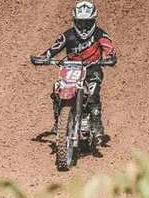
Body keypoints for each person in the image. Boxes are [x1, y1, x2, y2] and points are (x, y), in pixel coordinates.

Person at [31, 1, 117, 143]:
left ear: (93, 21)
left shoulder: (100, 35)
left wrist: (110, 58)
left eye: (87, 23)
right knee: (57, 89)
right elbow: (53, 49)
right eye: (80, 22)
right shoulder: (68, 35)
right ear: (75, 20)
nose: (83, 27)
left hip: (92, 69)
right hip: (71, 69)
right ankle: (59, 121)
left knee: (93, 93)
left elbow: (110, 50)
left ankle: (96, 125)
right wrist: (42, 58)